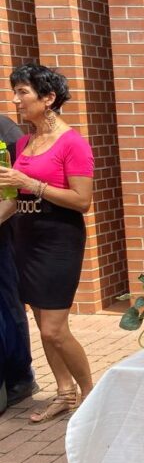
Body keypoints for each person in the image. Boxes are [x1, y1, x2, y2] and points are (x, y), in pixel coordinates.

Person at [0, 64, 94, 423]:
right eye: (15, 92)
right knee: (42, 325)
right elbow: (13, 200)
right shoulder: (24, 143)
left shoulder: (73, 143)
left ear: (49, 97)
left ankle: (92, 396)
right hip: (25, 239)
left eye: (22, 92)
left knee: (55, 329)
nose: (15, 100)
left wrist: (30, 182)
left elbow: (82, 200)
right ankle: (64, 392)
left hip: (58, 241)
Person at [0, 114, 37, 414]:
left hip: (2, 234)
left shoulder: (4, 129)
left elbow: (18, 191)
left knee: (7, 305)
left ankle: (20, 377)